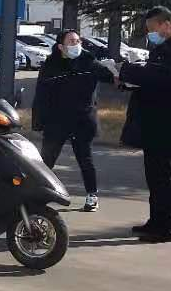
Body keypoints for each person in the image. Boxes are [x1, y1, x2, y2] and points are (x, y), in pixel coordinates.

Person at [120, 6, 171, 243]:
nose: (150, 33)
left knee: (164, 177)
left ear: (166, 24)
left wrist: (127, 71)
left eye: (153, 28)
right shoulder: (165, 48)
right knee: (154, 176)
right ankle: (155, 221)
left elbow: (157, 79)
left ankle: (166, 228)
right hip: (154, 122)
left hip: (167, 124)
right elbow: (151, 78)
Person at [33, 29, 116, 213]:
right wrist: (38, 121)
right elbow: (41, 96)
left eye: (78, 41)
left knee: (85, 159)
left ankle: (92, 195)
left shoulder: (89, 61)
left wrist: (118, 72)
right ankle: (38, 194)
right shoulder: (50, 65)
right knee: (47, 160)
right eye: (71, 41)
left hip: (82, 119)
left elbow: (110, 77)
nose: (76, 44)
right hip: (56, 121)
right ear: (60, 46)